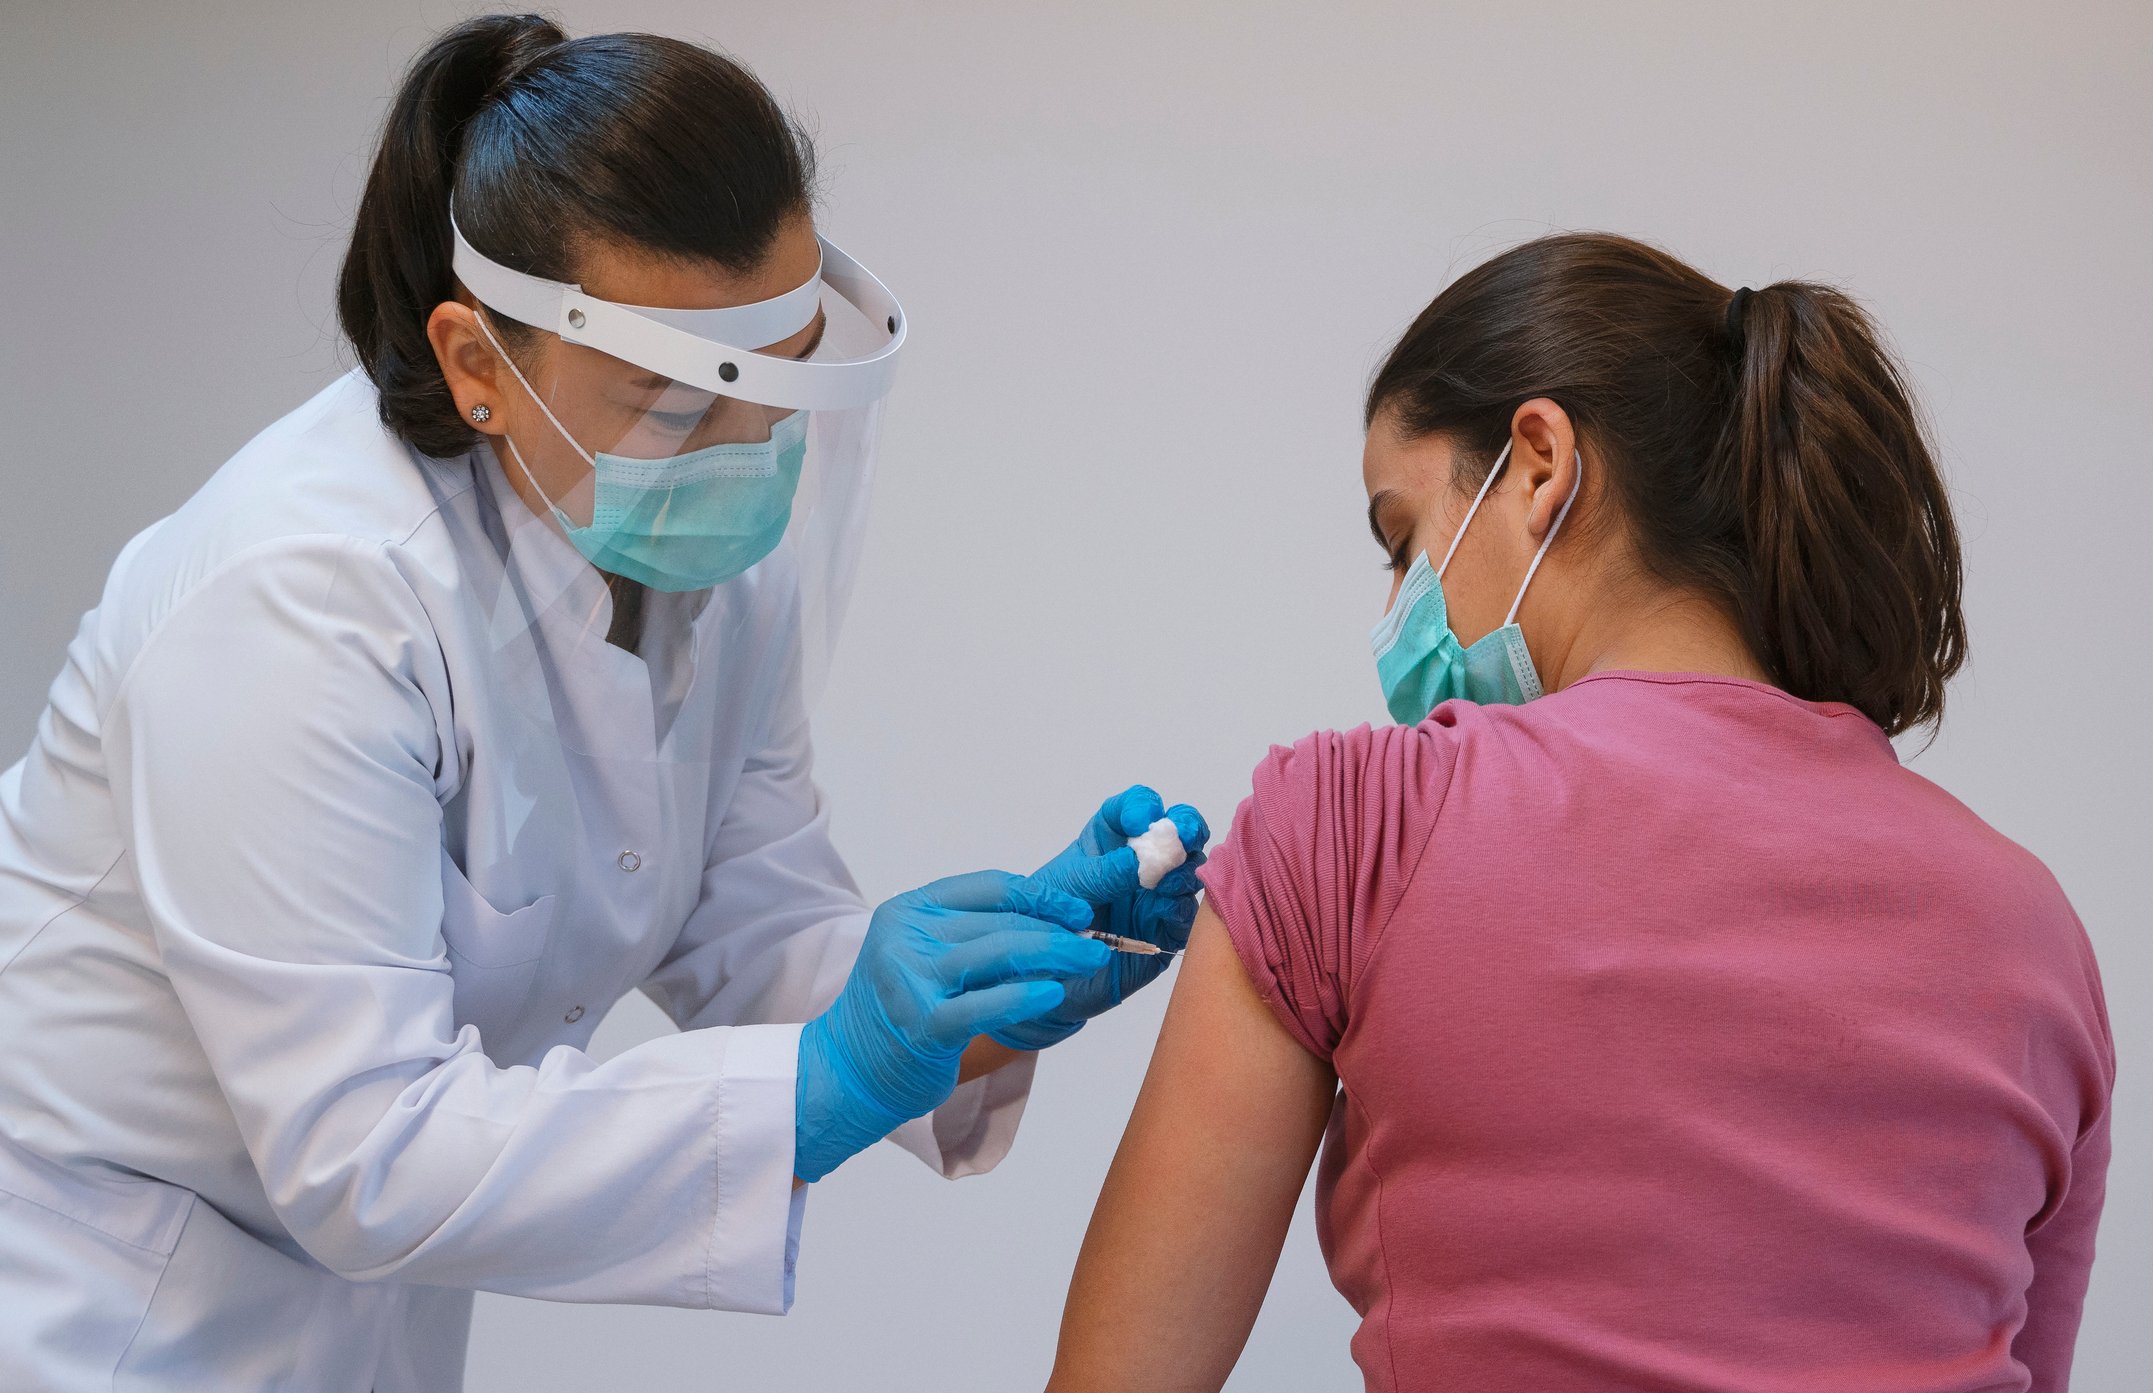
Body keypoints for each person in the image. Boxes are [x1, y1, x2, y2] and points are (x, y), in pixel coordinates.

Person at [0, 15, 1205, 1391]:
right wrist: (824, 1082)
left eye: (776, 400)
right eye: (678, 410)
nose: (745, 462)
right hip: (93, 1311)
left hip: (353, 1319)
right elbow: (365, 1152)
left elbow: (747, 924)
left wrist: (986, 993)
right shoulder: (296, 600)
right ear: (475, 365)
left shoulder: (698, 564)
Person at [1048, 233, 2112, 1392]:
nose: (1401, 609)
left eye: (1404, 541)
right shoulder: (2030, 928)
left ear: (1538, 462)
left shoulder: (1349, 828)